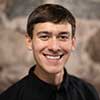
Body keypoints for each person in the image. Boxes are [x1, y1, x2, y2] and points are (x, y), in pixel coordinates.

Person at [0, 3, 99, 100]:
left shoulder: (88, 93)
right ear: (29, 41)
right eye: (44, 36)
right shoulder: (9, 97)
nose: (54, 47)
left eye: (63, 37)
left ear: (72, 43)